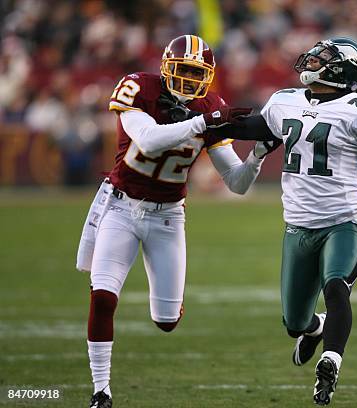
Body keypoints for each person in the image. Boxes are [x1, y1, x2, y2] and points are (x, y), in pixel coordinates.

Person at [203, 37, 357, 405]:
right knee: (294, 324)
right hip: (298, 228)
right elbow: (249, 127)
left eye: (325, 58)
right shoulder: (286, 101)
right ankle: (314, 329)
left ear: (343, 72)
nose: (314, 60)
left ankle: (331, 363)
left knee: (336, 288)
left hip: (343, 222)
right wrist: (199, 124)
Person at [76, 35, 273, 408]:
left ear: (208, 77)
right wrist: (204, 121)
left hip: (168, 218)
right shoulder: (140, 87)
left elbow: (237, 183)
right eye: (182, 70)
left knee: (166, 321)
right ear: (166, 67)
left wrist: (258, 155)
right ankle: (101, 390)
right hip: (121, 207)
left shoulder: (211, 106)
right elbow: (149, 141)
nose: (187, 80)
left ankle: (171, 304)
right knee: (103, 297)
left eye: (196, 74)